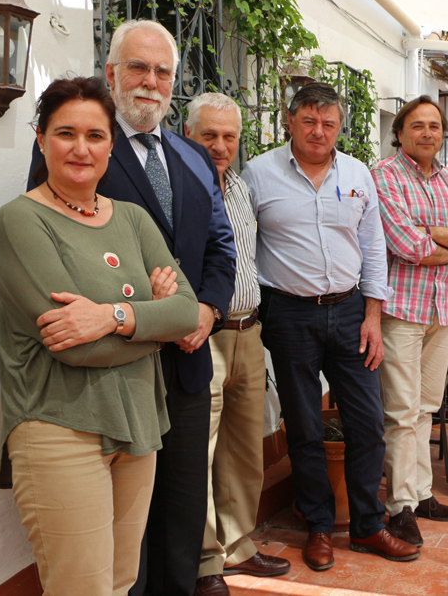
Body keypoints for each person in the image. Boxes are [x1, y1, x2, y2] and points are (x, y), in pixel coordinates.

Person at [28, 19, 237, 596]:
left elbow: (221, 246)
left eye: (162, 71)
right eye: (139, 68)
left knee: (180, 506)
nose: (151, 82)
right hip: (116, 369)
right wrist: (151, 313)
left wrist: (207, 312)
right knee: (125, 525)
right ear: (112, 73)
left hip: (190, 362)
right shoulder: (84, 147)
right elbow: (60, 255)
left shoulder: (195, 158)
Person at [0, 76, 200, 595]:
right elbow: (77, 346)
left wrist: (113, 317)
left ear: (112, 143)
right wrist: (154, 317)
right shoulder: (21, 221)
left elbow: (189, 313)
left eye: (96, 135)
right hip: (60, 426)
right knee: (81, 587)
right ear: (41, 139)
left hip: (137, 423)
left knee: (121, 581)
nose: (81, 149)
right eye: (65, 133)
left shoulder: (130, 217)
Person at [242, 82, 419, 571]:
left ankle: (366, 526)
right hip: (290, 314)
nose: (319, 131)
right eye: (309, 121)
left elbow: (375, 247)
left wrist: (373, 316)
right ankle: (318, 527)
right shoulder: (259, 173)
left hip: (350, 312)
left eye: (328, 123)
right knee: (302, 426)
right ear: (290, 121)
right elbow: (242, 242)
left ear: (338, 127)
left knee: (367, 424)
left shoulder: (358, 173)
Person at [184, 94, 290, 595]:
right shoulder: (180, 188)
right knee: (199, 451)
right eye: (209, 136)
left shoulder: (243, 189)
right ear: (188, 135)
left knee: (244, 447)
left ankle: (239, 545)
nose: (220, 146)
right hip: (204, 336)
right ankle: (207, 560)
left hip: (249, 332)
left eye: (229, 136)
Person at [371, 95, 448, 542]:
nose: (427, 133)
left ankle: (420, 493)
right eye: (417, 126)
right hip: (401, 311)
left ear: (442, 134)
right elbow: (405, 243)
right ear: (400, 132)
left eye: (434, 126)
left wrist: (435, 235)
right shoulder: (383, 176)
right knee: (400, 412)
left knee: (425, 408)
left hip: (444, 309)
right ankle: (399, 505)